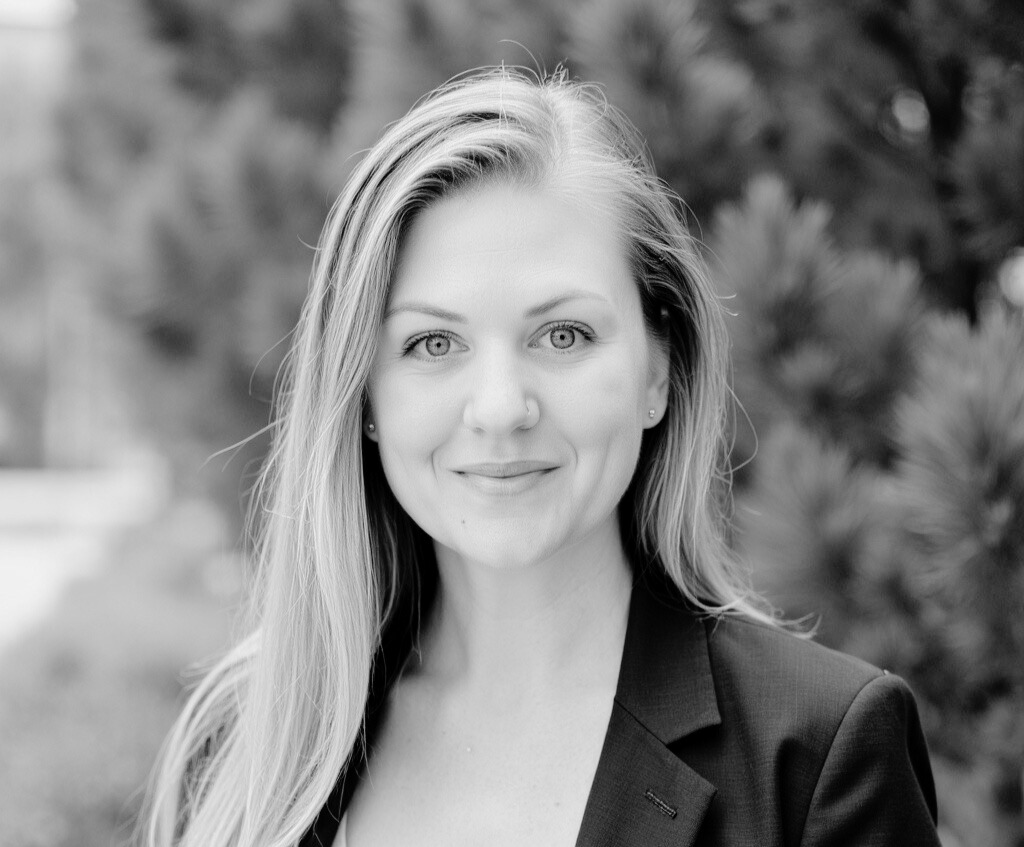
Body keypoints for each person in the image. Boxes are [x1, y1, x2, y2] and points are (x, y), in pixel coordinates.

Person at [142, 66, 941, 847]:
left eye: (563, 334)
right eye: (433, 342)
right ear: (365, 393)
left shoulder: (816, 758)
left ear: (657, 370)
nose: (499, 408)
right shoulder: (247, 738)